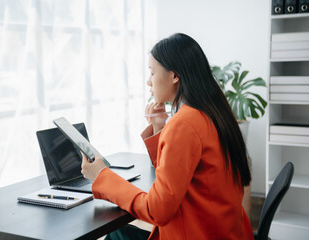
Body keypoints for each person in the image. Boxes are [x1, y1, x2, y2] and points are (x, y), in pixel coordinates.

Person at [81, 33, 254, 240]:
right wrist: (159, 126)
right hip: (224, 231)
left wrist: (102, 176)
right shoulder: (212, 111)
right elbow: (178, 175)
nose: (148, 82)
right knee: (118, 233)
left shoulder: (185, 123)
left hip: (200, 233)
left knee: (115, 235)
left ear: (174, 76)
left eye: (152, 73)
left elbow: (158, 210)